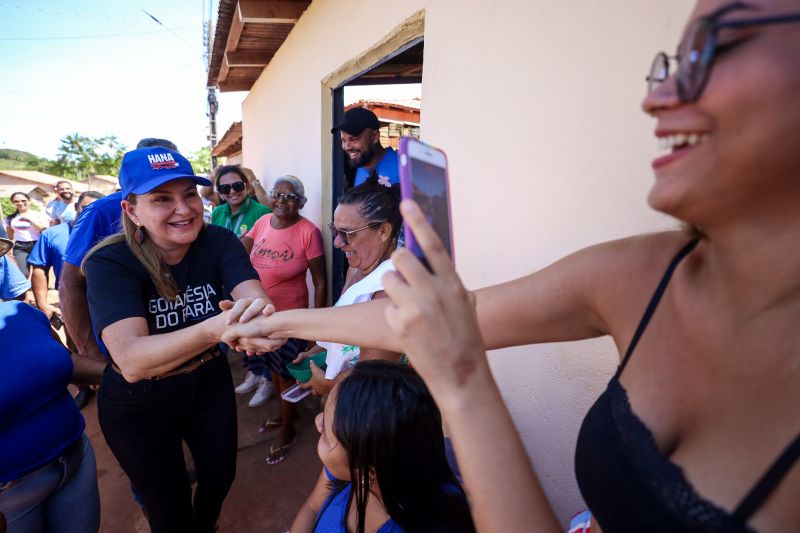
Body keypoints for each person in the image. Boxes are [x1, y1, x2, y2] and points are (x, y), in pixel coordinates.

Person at [224, 1, 800, 531]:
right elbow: (405, 320)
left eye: (714, 50)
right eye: (669, 64)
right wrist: (272, 325)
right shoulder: (648, 271)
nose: (657, 96)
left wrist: (462, 380)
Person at [82, 146, 281, 532]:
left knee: (220, 476)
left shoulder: (218, 241)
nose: (184, 208)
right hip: (138, 403)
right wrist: (216, 328)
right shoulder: (111, 261)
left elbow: (257, 303)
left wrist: (256, 319)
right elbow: (133, 360)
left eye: (189, 193)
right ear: (131, 210)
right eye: (162, 199)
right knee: (168, 507)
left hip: (207, 382)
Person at [290, 361, 474, 533]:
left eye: (326, 437)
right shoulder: (351, 464)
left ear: (367, 472)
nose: (317, 422)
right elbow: (313, 507)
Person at [60, 138, 179, 365]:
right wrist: (90, 352)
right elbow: (70, 283)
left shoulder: (185, 209)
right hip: (122, 351)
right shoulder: (101, 210)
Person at [238, 175, 326, 463]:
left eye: (289, 196)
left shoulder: (308, 232)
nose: (281, 200)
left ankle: (288, 429)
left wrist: (315, 327)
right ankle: (282, 412)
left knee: (287, 374)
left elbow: (320, 281)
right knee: (272, 370)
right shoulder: (262, 223)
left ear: (300, 202)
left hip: (291, 319)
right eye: (277, 194)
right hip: (262, 316)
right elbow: (241, 250)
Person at [291, 180, 403, 399]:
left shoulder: (391, 289)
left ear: (383, 231)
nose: (337, 243)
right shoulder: (358, 268)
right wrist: (322, 351)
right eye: (335, 230)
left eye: (348, 233)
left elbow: (375, 374)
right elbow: (348, 329)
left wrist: (328, 384)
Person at [0, 300, 104, 532]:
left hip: (75, 458)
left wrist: (118, 374)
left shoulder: (20, 312)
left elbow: (62, 361)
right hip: (9, 495)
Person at [29, 191, 104, 321]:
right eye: (85, 208)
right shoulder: (51, 234)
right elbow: (40, 269)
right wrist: (42, 304)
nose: (90, 212)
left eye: (97, 208)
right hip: (71, 301)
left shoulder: (110, 233)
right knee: (74, 339)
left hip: (107, 299)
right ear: (76, 207)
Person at [332, 108, 398, 187]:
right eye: (343, 140)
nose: (346, 147)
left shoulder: (404, 167)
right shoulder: (361, 163)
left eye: (353, 139)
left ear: (375, 136)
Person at [210, 165, 271, 238]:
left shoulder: (262, 212)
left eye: (238, 186)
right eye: (225, 188)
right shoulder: (217, 212)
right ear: (219, 192)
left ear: (247, 186)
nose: (232, 191)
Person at [5, 192, 49, 279]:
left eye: (23, 200)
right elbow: (10, 235)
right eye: (16, 201)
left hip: (37, 244)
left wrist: (30, 219)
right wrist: (9, 249)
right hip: (20, 246)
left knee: (40, 271)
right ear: (13, 203)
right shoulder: (10, 218)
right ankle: (24, 290)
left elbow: (44, 230)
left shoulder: (38, 214)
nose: (20, 203)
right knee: (23, 272)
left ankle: (39, 290)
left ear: (29, 201)